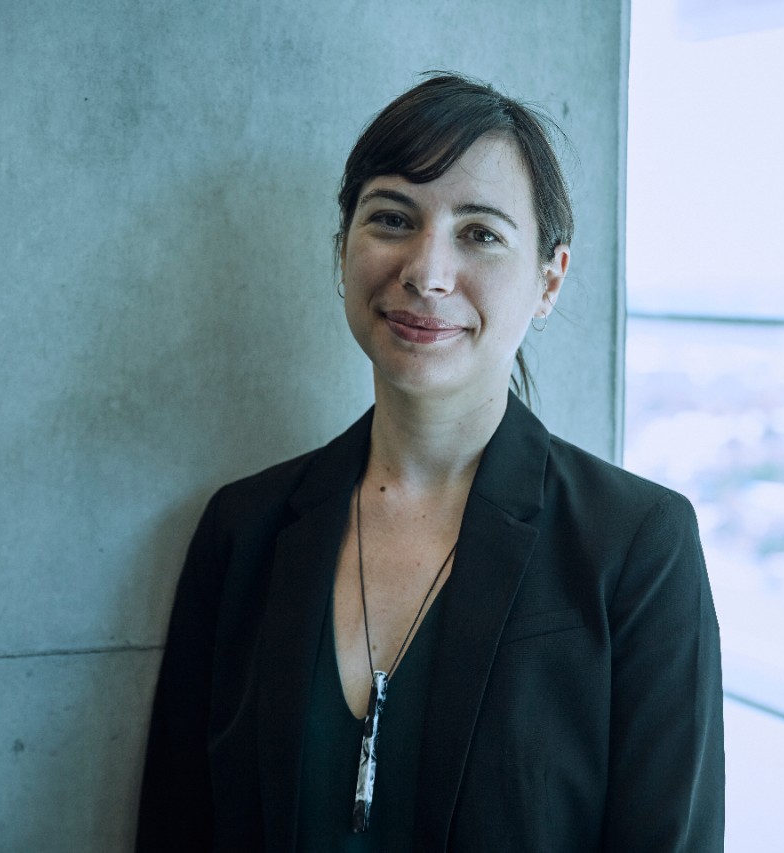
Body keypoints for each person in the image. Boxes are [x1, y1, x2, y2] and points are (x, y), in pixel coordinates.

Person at [137, 72, 724, 852]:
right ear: (343, 247)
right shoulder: (243, 531)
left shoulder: (636, 546)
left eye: (479, 233)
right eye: (392, 218)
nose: (426, 271)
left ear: (549, 279)